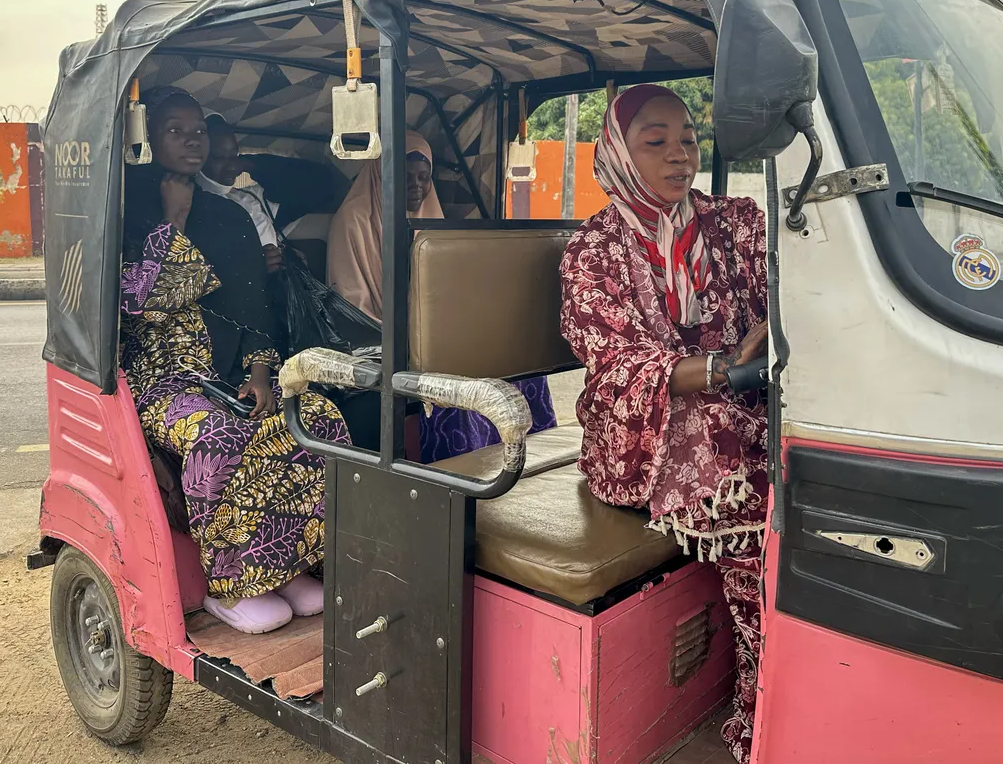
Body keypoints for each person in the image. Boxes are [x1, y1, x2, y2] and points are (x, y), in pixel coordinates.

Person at [559, 84, 769, 763]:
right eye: (656, 141)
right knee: (746, 480)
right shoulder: (591, 250)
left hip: (743, 408)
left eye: (688, 138)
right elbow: (618, 364)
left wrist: (771, 327)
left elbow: (797, 287)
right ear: (619, 152)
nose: (680, 154)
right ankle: (765, 711)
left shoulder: (732, 223)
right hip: (639, 432)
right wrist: (718, 371)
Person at [121, 86, 350, 635]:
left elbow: (254, 308)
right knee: (218, 437)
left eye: (198, 128)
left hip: (228, 374)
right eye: (175, 129)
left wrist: (261, 371)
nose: (192, 140)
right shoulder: (127, 208)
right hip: (162, 381)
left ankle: (287, 563)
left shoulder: (228, 214)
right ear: (147, 137)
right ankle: (230, 586)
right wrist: (173, 221)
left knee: (315, 419)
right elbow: (137, 301)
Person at [326, 131, 557, 462]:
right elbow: (352, 308)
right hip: (376, 337)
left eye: (424, 177)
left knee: (524, 369)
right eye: (405, 177)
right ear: (383, 174)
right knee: (457, 384)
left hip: (432, 333)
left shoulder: (430, 217)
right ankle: (464, 468)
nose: (416, 186)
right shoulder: (353, 221)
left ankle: (529, 458)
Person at [197, 114, 342, 274]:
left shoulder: (251, 200)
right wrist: (254, 268)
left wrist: (251, 164)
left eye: (235, 155)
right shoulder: (182, 209)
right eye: (220, 157)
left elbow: (322, 185)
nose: (231, 166)